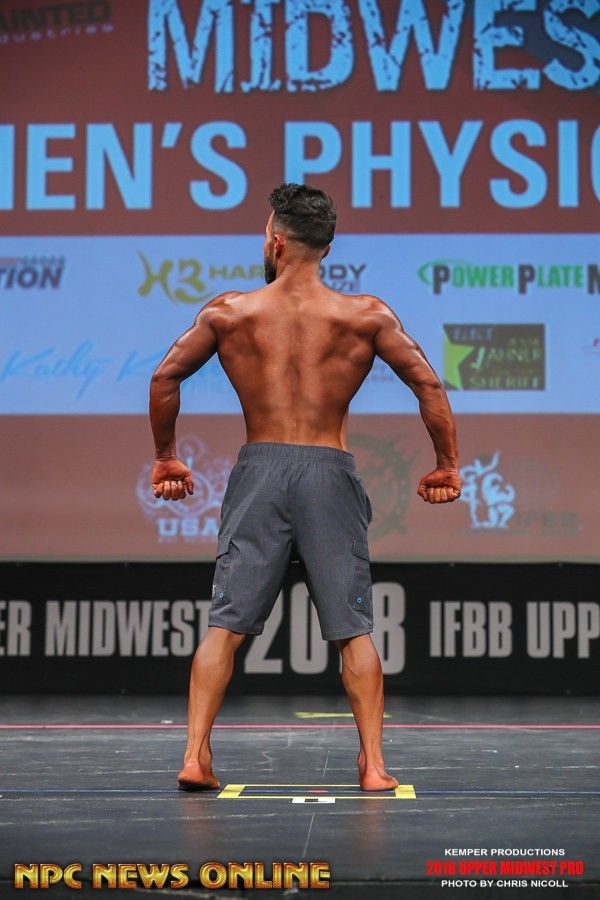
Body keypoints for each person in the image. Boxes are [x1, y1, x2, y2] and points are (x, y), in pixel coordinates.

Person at [149, 183, 461, 793]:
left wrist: (166, 457)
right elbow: (428, 383)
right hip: (328, 472)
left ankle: (195, 757)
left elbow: (165, 377)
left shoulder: (229, 313)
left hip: (260, 470)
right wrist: (446, 463)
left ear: (275, 242)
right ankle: (373, 767)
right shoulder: (365, 316)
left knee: (225, 625)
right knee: (353, 629)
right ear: (327, 247)